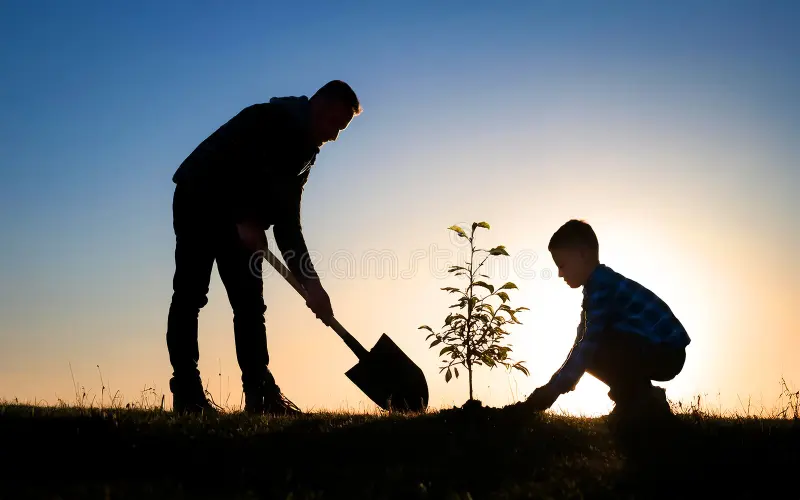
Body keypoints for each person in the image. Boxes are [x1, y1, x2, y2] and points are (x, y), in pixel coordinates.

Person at [166, 80, 362, 416]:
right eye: (336, 125)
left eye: (341, 129)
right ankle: (187, 392)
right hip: (198, 198)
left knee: (250, 305)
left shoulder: (305, 152)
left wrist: (312, 286)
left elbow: (288, 224)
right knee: (190, 295)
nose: (335, 136)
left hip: (245, 221)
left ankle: (260, 394)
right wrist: (242, 215)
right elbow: (237, 162)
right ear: (320, 106)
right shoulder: (270, 119)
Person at [518, 219, 690, 426]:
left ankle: (639, 403)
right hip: (659, 350)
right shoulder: (597, 289)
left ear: (582, 254)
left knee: (593, 349)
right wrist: (555, 384)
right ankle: (641, 400)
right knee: (588, 351)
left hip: (665, 351)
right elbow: (580, 342)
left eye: (562, 265)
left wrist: (554, 389)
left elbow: (588, 344)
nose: (560, 273)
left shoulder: (602, 287)